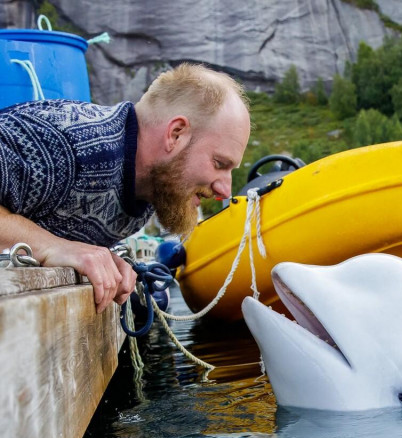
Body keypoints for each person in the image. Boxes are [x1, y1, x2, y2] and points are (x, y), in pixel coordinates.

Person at [0, 63, 251, 312]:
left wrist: (100, 257)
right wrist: (52, 246)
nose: (225, 191)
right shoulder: (70, 142)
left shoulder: (148, 191)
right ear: (176, 134)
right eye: (219, 163)